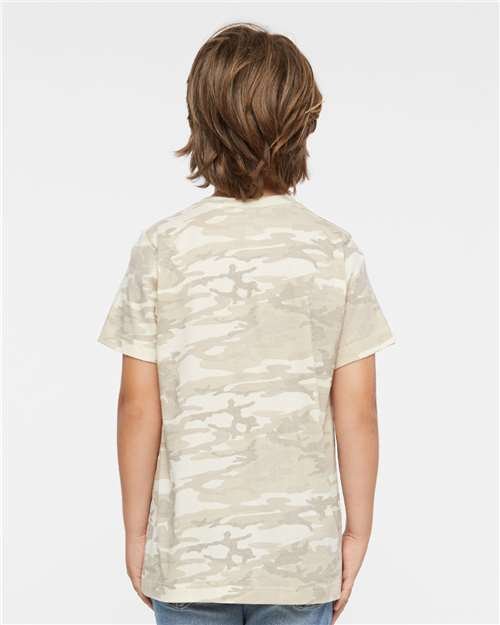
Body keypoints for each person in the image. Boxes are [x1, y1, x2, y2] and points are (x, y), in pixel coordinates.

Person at [98, 22, 395, 625]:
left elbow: (137, 405)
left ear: (198, 123)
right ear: (305, 123)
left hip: (191, 557)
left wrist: (137, 531)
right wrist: (356, 532)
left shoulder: (163, 248)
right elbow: (358, 410)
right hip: (298, 558)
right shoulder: (332, 251)